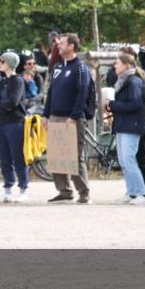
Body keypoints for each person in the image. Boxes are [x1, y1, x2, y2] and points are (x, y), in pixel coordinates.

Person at [43, 33, 92, 204]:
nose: (58, 46)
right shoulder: (57, 67)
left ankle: (84, 192)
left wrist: (74, 116)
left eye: (62, 43)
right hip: (55, 116)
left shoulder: (81, 68)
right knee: (56, 156)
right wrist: (45, 114)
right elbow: (51, 92)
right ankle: (64, 191)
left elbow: (82, 93)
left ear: (72, 46)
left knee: (74, 156)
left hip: (72, 118)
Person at [107, 52, 145, 204]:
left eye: (117, 63)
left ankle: (141, 193)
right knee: (123, 161)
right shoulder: (123, 81)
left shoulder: (133, 81)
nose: (115, 66)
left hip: (132, 125)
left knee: (129, 159)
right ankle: (131, 192)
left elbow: (136, 104)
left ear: (127, 65)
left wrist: (113, 105)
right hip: (122, 124)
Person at [0, 51, 29, 203]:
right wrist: (2, 106)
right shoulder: (0, 82)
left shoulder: (18, 81)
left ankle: (23, 189)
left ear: (9, 63)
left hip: (15, 122)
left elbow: (13, 102)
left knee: (18, 156)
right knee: (4, 157)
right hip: (1, 123)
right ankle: (8, 188)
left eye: (2, 61)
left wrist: (0, 105)